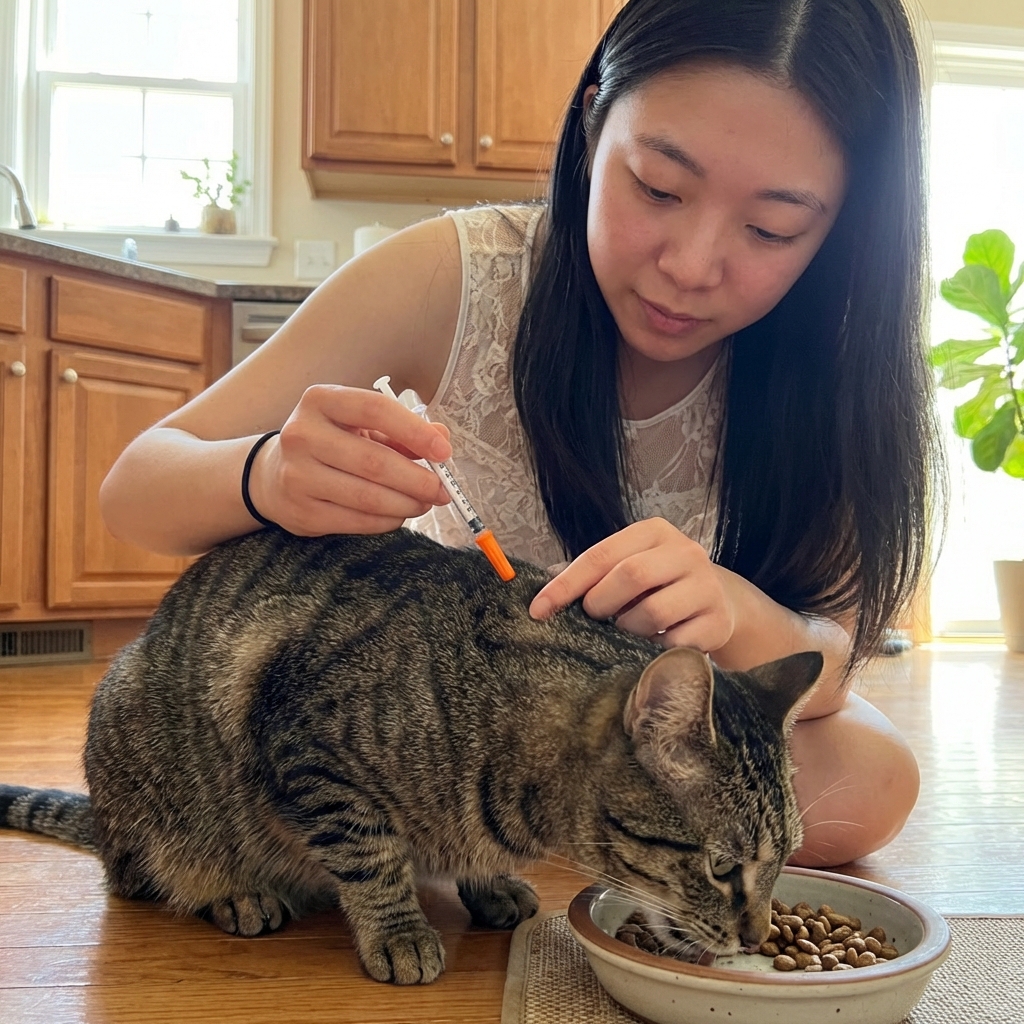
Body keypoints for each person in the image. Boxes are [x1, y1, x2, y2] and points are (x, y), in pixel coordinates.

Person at [101, 0, 941, 867]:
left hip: (668, 759)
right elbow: (135, 490)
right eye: (656, 186)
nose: (691, 267)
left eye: (771, 229)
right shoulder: (454, 277)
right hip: (453, 751)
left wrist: (735, 613)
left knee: (874, 777)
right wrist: (267, 475)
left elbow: (832, 663)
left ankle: (565, 847)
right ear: (590, 127)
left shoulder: (837, 367)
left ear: (841, 230)